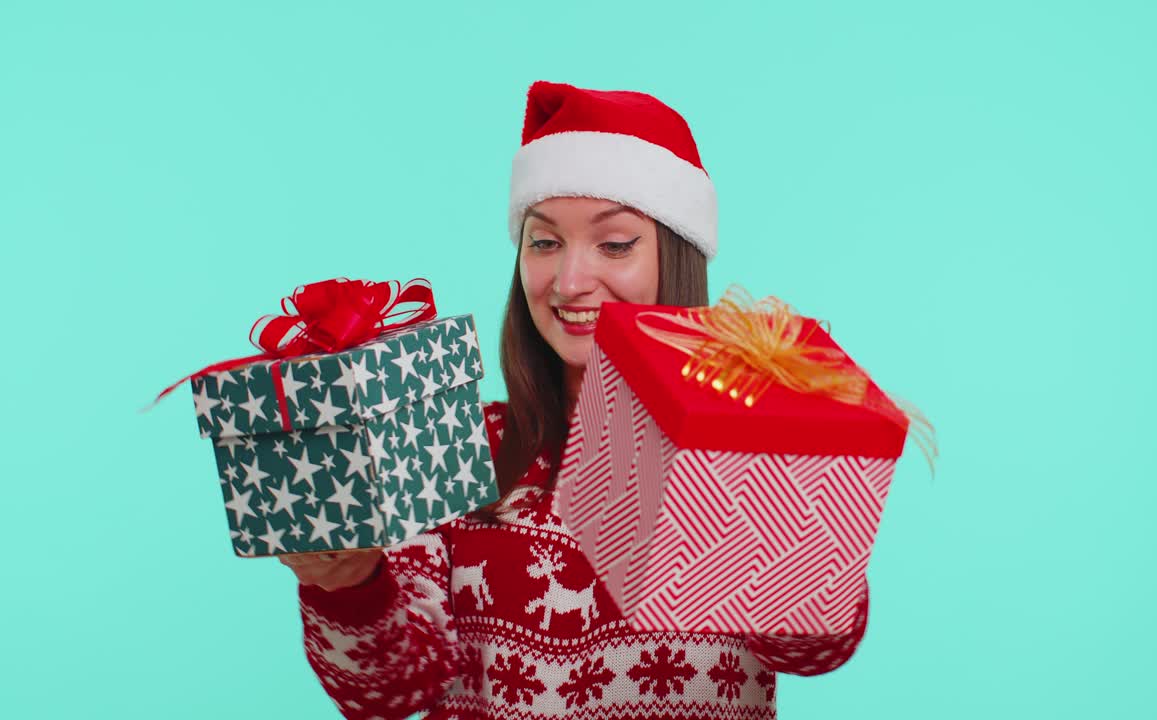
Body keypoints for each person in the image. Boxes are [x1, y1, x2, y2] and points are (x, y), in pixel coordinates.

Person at [279, 80, 870, 720]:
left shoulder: (741, 436)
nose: (568, 281)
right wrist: (347, 586)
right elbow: (389, 692)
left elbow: (818, 648)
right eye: (544, 241)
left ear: (674, 256)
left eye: (614, 244)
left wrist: (788, 511)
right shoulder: (461, 445)